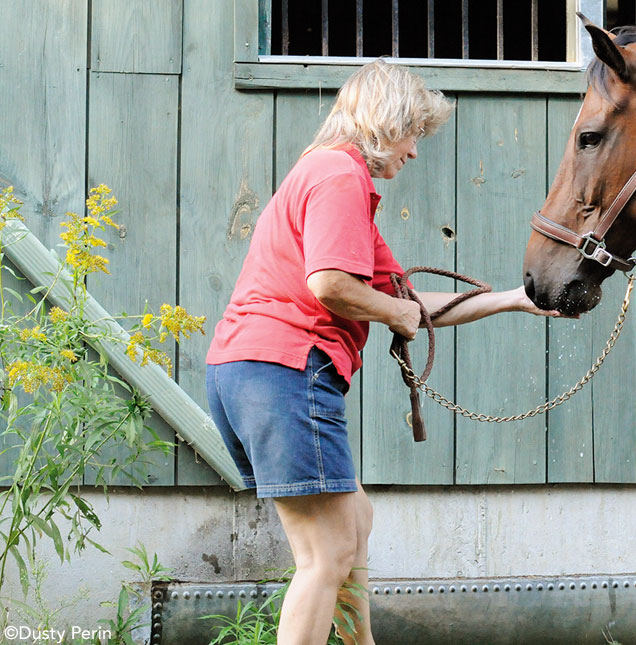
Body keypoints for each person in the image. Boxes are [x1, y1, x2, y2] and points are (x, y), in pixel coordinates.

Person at [204, 59, 558, 645]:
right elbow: (330, 285)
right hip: (282, 369)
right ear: (385, 122)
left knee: (353, 523)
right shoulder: (339, 175)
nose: (415, 152)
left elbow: (410, 302)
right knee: (326, 552)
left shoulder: (335, 184)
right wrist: (392, 313)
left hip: (251, 370)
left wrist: (514, 300)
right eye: (413, 134)